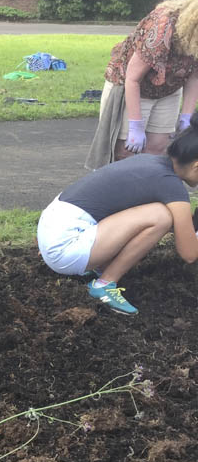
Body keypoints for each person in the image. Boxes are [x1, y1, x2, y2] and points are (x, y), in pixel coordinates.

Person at [39, 116, 198, 316]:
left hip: (54, 232)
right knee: (162, 216)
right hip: (65, 247)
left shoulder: (150, 162)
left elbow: (181, 227)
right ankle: (104, 284)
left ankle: (96, 267)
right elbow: (190, 254)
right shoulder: (171, 186)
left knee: (163, 215)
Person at [86, 0, 198, 169]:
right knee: (125, 152)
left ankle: (145, 194)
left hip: (169, 90)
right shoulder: (163, 27)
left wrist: (186, 117)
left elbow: (194, 76)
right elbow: (132, 79)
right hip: (133, 86)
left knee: (157, 149)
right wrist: (135, 126)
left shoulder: (195, 39)